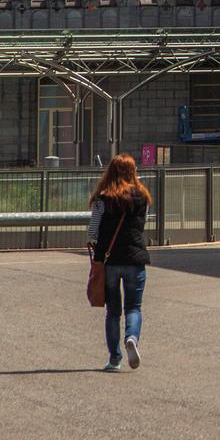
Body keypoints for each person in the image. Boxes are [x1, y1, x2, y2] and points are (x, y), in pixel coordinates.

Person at [87, 154, 152, 372]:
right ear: (133, 171)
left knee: (113, 312)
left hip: (110, 260)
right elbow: (142, 226)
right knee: (134, 307)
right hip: (135, 258)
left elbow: (92, 232)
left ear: (110, 171)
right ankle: (131, 338)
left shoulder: (102, 199)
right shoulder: (143, 197)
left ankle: (115, 359)